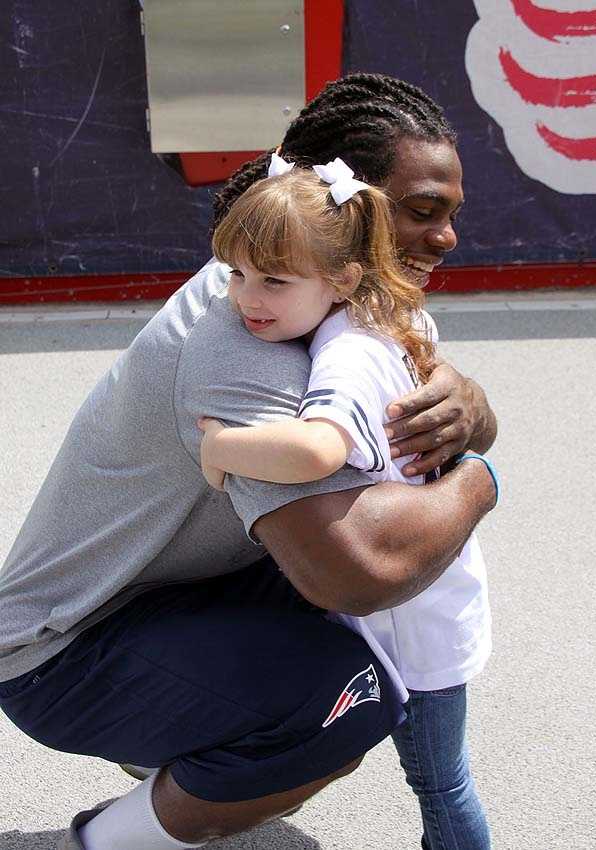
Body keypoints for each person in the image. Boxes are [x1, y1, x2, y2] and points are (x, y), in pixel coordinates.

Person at [0, 73, 497, 850]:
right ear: (344, 210)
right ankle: (104, 840)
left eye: (450, 214)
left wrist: (467, 401)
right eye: (422, 211)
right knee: (352, 697)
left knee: (364, 600)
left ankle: (187, 740)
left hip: (170, 592)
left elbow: (433, 423)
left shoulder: (328, 297)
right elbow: (355, 573)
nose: (446, 238)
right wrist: (483, 480)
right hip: (62, 650)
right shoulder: (244, 340)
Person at [200, 153, 496, 849]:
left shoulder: (344, 357)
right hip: (427, 591)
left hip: (411, 615)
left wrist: (220, 449)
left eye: (274, 279)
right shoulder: (386, 316)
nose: (248, 298)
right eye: (236, 275)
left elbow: (318, 451)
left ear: (343, 276)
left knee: (440, 781)